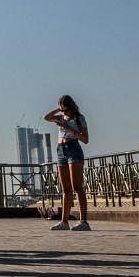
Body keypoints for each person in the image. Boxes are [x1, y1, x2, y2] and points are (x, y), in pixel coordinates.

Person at [45, 95, 91, 231]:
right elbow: (46, 118)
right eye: (61, 108)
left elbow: (86, 139)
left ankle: (84, 222)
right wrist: (57, 110)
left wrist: (68, 128)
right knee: (65, 188)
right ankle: (64, 222)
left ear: (69, 106)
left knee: (77, 186)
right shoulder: (60, 118)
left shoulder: (79, 119)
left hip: (73, 149)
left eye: (63, 108)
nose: (62, 111)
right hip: (60, 151)